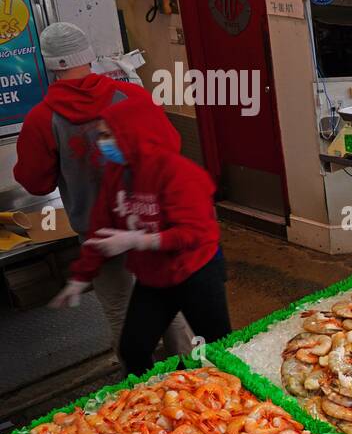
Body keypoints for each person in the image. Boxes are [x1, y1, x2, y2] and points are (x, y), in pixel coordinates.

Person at [14, 22, 194, 361]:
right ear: (89, 56)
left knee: (121, 312)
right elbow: (171, 147)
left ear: (50, 64)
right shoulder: (132, 96)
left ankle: (138, 395)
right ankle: (192, 380)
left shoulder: (42, 119)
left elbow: (36, 183)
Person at [56, 101, 232, 376]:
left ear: (134, 133)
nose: (102, 143)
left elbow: (195, 232)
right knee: (133, 348)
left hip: (196, 271)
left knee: (218, 347)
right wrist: (80, 277)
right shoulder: (118, 172)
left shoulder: (180, 173)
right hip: (153, 277)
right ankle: (146, 402)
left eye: (108, 135)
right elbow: (100, 229)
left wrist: (137, 241)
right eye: (101, 136)